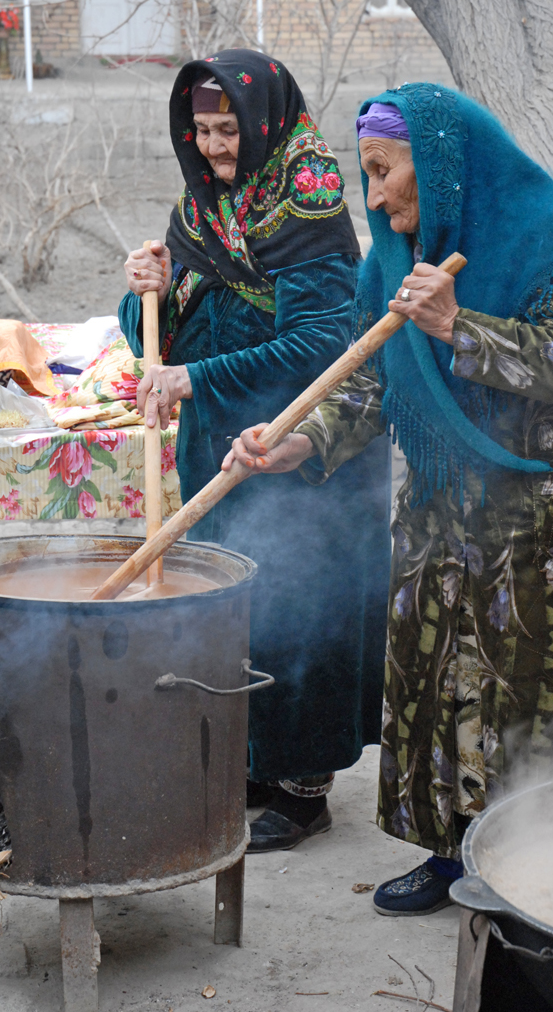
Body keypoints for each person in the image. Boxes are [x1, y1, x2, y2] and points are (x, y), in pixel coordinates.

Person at [223, 83, 553, 908]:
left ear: (443, 168)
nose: (374, 196)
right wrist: (300, 440)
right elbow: (370, 379)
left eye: (384, 170)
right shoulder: (390, 257)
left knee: (535, 688)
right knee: (441, 675)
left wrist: (460, 327)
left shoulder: (548, 238)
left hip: (549, 523)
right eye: (366, 173)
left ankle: (548, 869)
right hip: (442, 510)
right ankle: (451, 855)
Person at [119, 49, 391, 852]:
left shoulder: (304, 198)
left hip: (299, 452)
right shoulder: (202, 208)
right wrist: (144, 293)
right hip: (221, 447)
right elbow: (159, 343)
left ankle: (304, 786)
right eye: (200, 130)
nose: (212, 147)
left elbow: (322, 346)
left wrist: (194, 377)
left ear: (263, 120)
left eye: (227, 129)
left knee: (300, 606)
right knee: (237, 606)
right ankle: (254, 760)